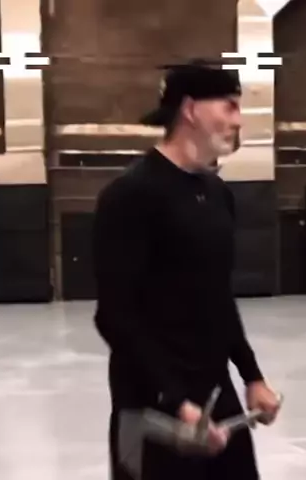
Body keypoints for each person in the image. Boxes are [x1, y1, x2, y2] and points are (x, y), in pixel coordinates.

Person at [92, 60, 281, 480]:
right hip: (150, 410)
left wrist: (251, 376)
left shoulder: (217, 195)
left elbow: (218, 297)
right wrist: (176, 400)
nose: (238, 119)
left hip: (215, 395)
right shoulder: (130, 195)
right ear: (191, 110)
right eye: (229, 106)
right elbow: (115, 315)